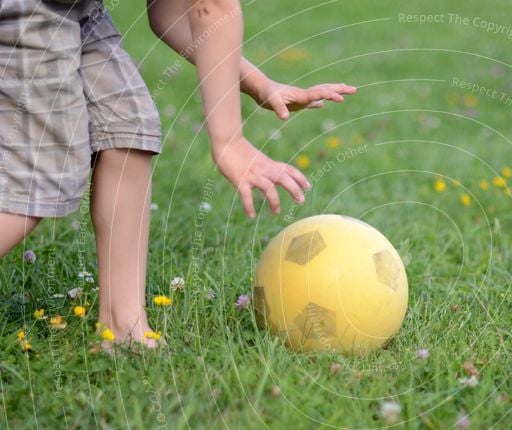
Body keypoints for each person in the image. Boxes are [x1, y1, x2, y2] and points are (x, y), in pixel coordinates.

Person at [0, 0, 356, 346]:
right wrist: (229, 141)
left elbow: (170, 10)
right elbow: (212, 5)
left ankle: (124, 329)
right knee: (37, 179)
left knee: (127, 123)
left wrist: (259, 84)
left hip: (71, 8)